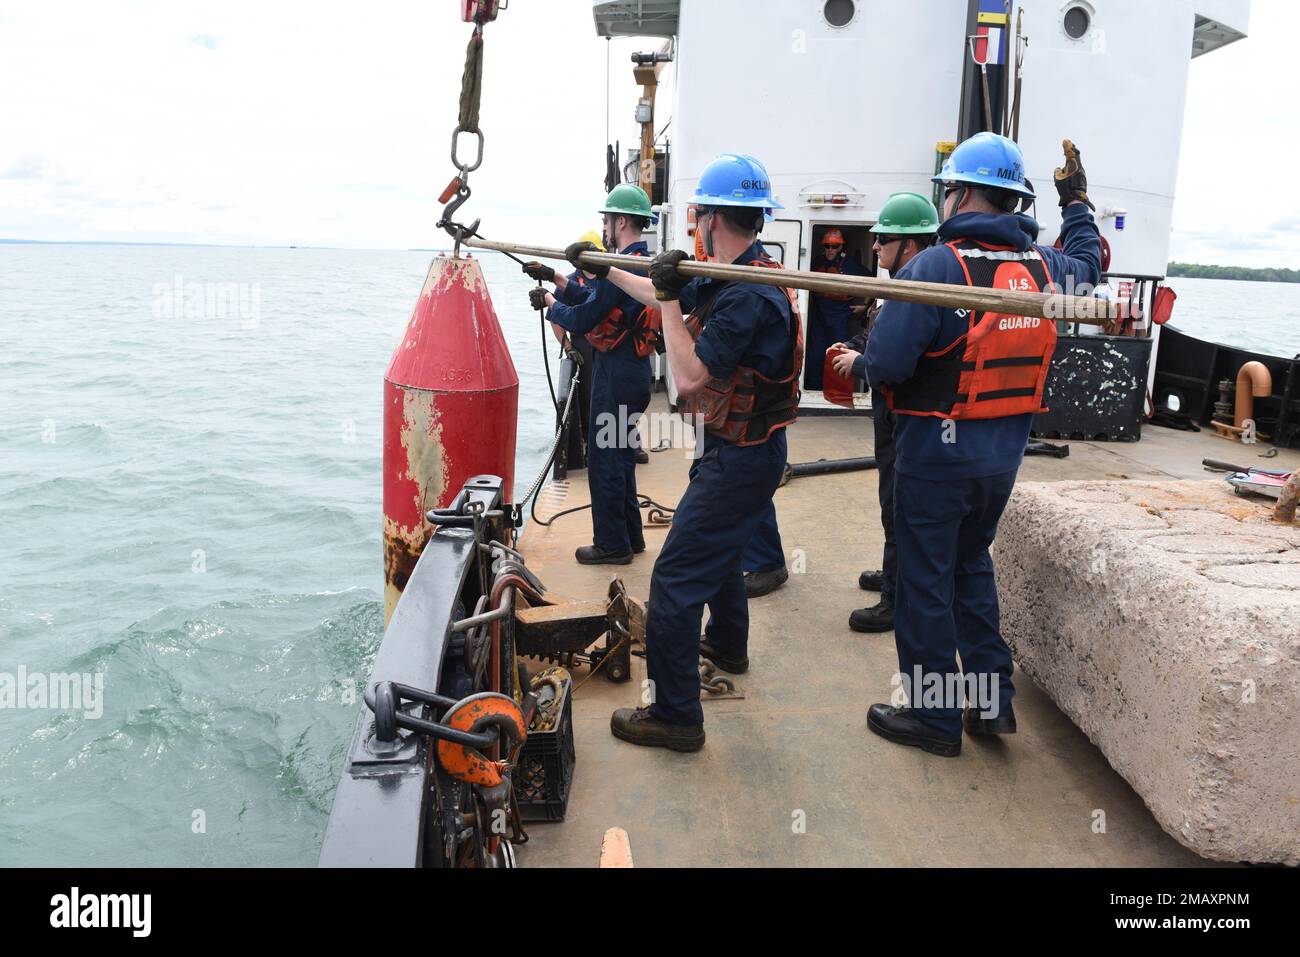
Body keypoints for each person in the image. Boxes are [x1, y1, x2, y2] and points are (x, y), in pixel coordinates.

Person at [862, 134, 1100, 756]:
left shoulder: (938, 267)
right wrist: (1076, 203)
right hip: (1000, 462)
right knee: (970, 567)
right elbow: (1091, 264)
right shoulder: (1047, 269)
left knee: (924, 581)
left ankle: (935, 720)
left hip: (935, 462)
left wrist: (859, 361)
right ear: (1015, 199)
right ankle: (991, 703)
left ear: (960, 194)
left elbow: (886, 362)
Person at [600, 153, 801, 752]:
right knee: (724, 553)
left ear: (709, 218)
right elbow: (660, 297)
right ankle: (729, 646)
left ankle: (675, 714)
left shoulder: (749, 297)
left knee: (676, 577)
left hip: (738, 458)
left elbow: (686, 378)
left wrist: (666, 298)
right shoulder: (743, 272)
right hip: (747, 449)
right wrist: (604, 269)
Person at [527, 185, 661, 565]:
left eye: (606, 219)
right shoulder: (635, 263)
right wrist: (555, 277)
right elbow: (591, 299)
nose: (603, 227)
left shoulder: (623, 268)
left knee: (604, 459)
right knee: (619, 458)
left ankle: (611, 545)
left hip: (616, 376)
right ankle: (630, 538)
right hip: (632, 374)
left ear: (620, 221)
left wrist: (550, 304)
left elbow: (585, 318)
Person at [827, 192, 939, 633]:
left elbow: (895, 362)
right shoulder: (898, 288)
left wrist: (861, 364)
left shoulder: (915, 290)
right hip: (892, 419)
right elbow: (885, 340)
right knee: (890, 501)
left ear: (909, 244)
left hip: (905, 419)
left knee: (898, 506)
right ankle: (893, 574)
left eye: (883, 239)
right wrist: (857, 347)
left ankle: (894, 599)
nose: (873, 247)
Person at [523, 230, 606, 459]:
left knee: (610, 397)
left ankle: (627, 441)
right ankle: (591, 444)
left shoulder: (607, 280)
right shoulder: (570, 281)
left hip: (608, 344)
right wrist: (568, 346)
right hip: (584, 346)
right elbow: (556, 316)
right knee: (588, 398)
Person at [803, 227, 867, 391]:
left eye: (835, 246)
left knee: (838, 355)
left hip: (839, 316)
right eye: (827, 246)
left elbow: (873, 280)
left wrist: (865, 306)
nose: (830, 250)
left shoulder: (850, 264)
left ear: (841, 247)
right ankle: (814, 389)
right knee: (816, 354)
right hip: (819, 316)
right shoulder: (817, 261)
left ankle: (836, 391)